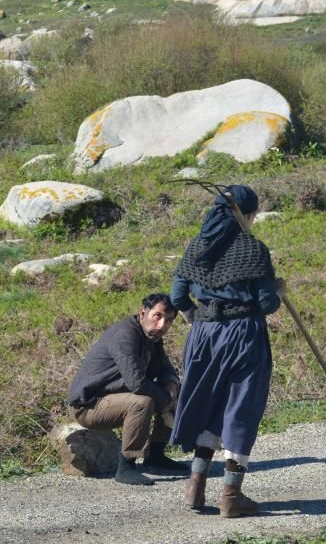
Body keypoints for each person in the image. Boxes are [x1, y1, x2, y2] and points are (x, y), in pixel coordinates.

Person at [170, 184, 285, 517]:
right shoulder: (253, 250)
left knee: (208, 404)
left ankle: (196, 485)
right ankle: (231, 495)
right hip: (242, 335)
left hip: (203, 336)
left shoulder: (197, 247)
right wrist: (278, 290)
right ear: (245, 214)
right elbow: (265, 303)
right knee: (239, 408)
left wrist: (197, 317)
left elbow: (178, 296)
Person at [67, 294, 187, 486]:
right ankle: (126, 467)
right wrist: (167, 400)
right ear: (143, 312)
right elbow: (137, 383)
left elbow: (165, 368)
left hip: (117, 397)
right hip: (91, 405)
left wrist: (171, 387)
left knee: (175, 390)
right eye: (158, 316)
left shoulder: (152, 338)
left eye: (169, 320)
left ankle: (155, 455)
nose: (162, 325)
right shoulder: (125, 335)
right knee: (142, 402)